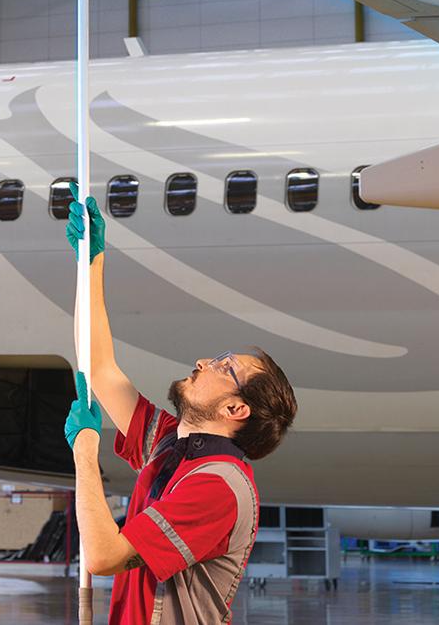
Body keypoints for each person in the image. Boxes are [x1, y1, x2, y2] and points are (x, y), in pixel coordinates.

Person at [64, 193, 297, 625]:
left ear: (235, 408)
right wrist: (90, 261)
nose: (204, 362)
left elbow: (103, 555)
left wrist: (83, 451)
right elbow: (98, 367)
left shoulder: (219, 486)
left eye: (224, 368)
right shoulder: (173, 444)